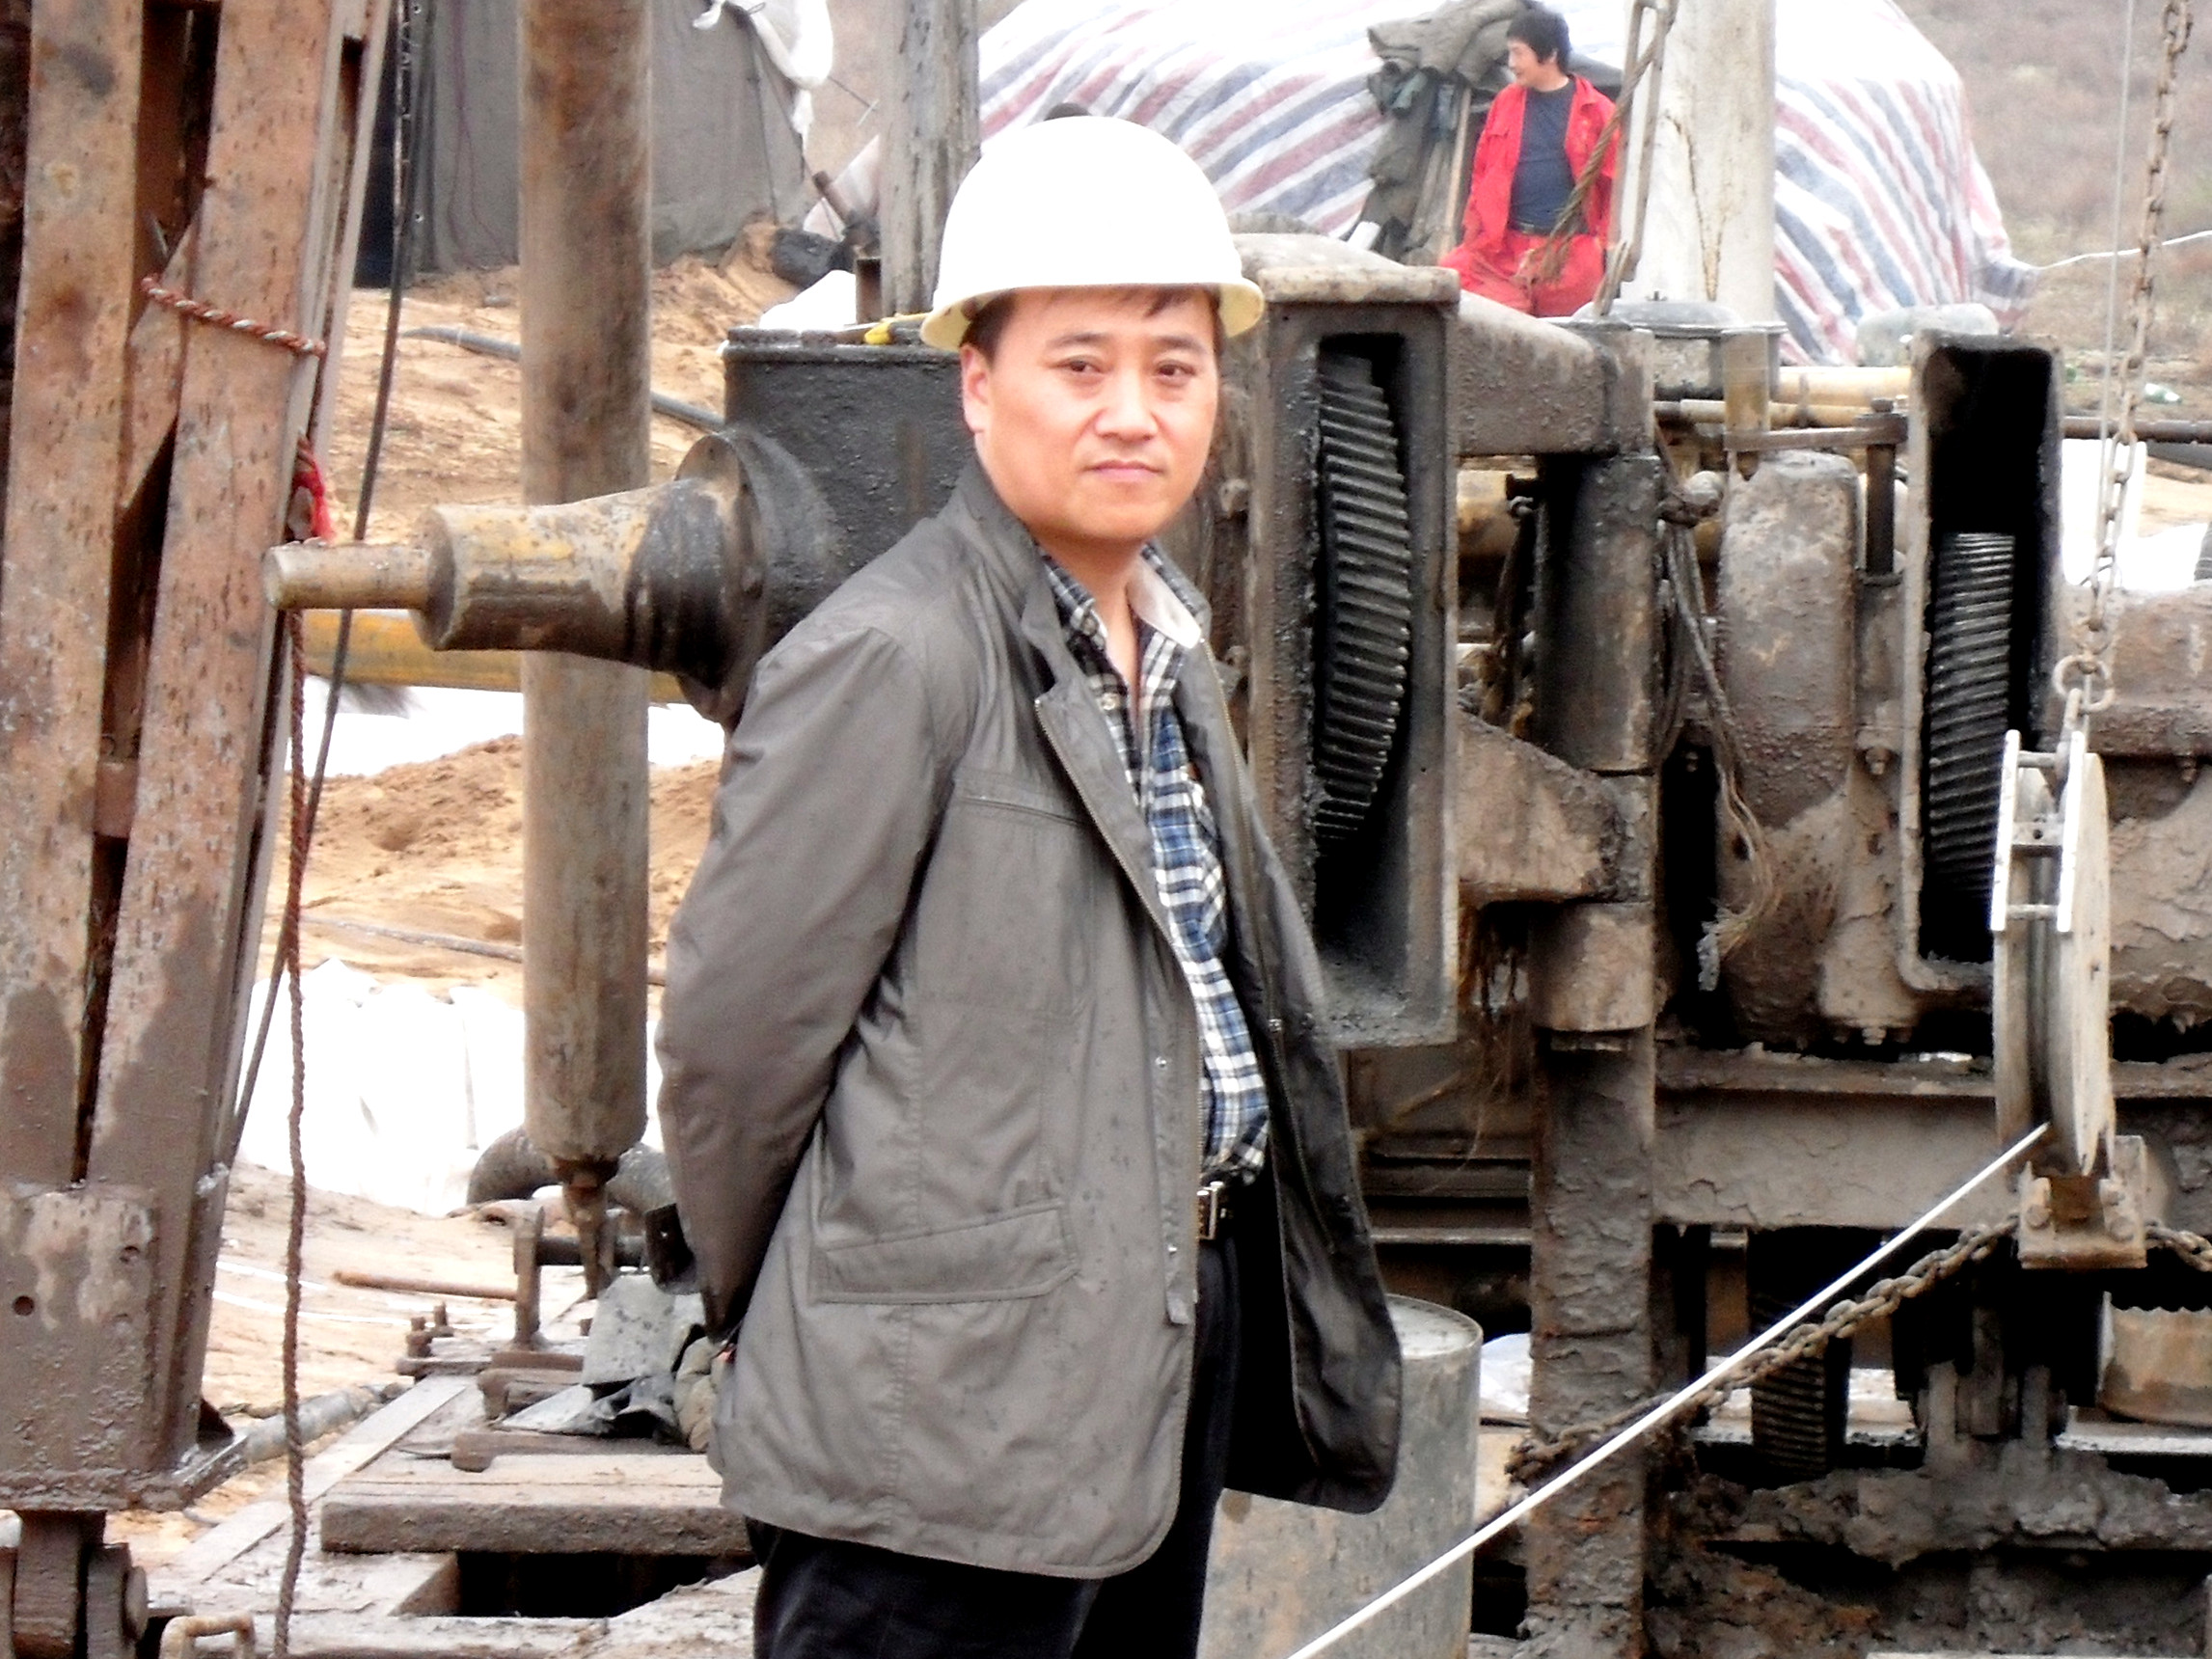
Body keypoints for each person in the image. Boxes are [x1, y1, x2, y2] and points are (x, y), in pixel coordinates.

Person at [657, 115, 1402, 1659]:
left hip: (1148, 1357)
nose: (1133, 412)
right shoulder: (894, 658)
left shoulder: (1166, 651)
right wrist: (806, 1320)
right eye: (1080, 366)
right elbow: (736, 1059)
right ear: (978, 384)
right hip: (938, 1417)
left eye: (1174, 369)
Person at [1439, 5, 1618, 316]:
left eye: (1518, 53)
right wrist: (1476, 229)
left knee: (1567, 339)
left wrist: (1603, 245)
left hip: (1569, 257)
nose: (1511, 64)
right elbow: (1482, 171)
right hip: (1503, 252)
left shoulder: (1597, 112)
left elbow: (1614, 187)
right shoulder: (1505, 102)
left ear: (1549, 55)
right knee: (1452, 289)